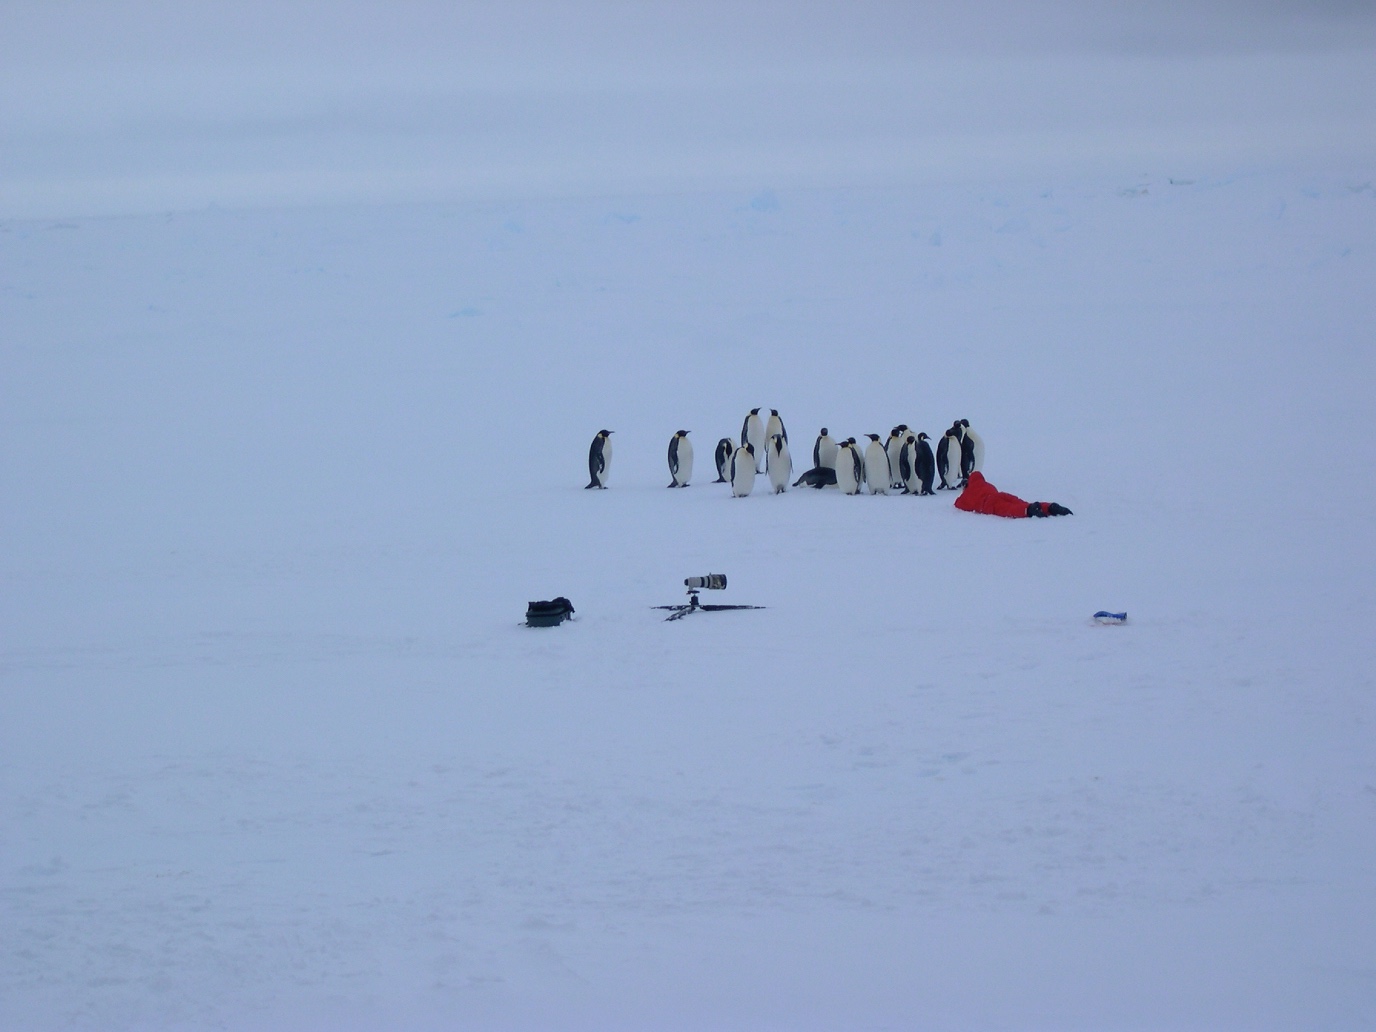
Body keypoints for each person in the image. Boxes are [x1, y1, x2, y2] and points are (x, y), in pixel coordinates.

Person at [953, 471, 1072, 518]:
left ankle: (1029, 510)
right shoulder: (987, 484)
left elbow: (958, 504)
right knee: (1022, 502)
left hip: (989, 504)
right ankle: (1049, 507)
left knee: (1012, 509)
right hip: (1000, 495)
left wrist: (965, 492)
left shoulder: (966, 495)